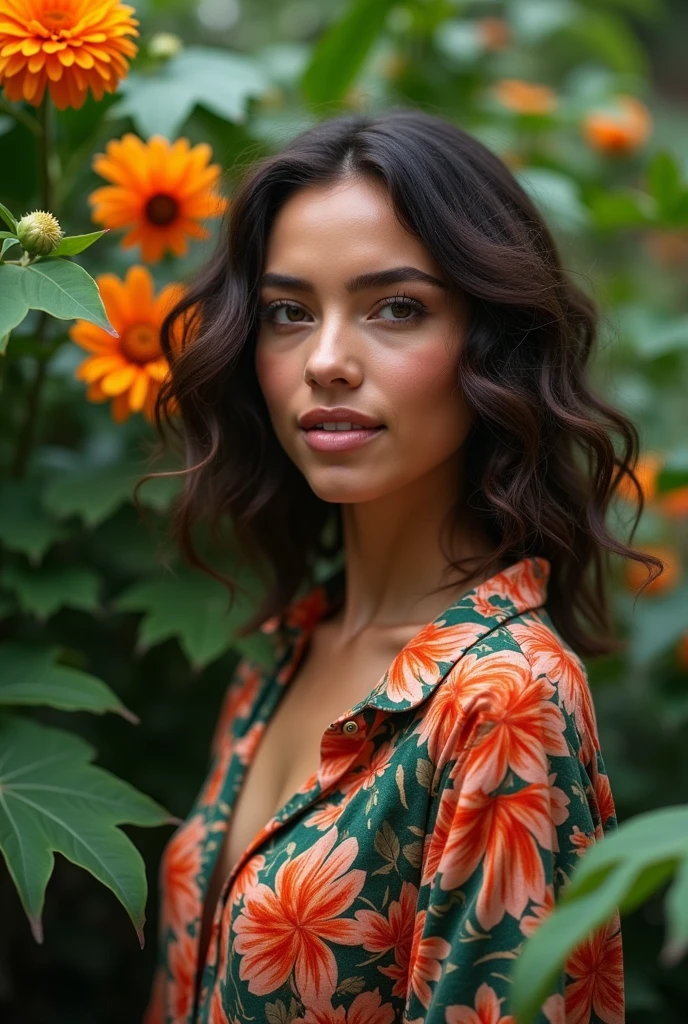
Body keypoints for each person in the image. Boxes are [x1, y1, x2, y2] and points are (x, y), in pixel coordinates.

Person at [141, 108, 661, 1024]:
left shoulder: (506, 699)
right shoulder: (283, 646)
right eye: (288, 313)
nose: (327, 361)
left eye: (397, 308)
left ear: (492, 343)